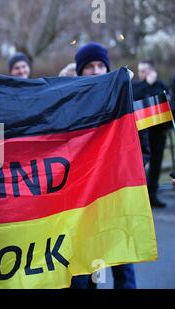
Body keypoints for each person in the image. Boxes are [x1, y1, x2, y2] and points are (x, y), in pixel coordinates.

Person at [72, 42, 139, 289]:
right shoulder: (70, 104)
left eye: (101, 65)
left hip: (116, 193)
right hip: (83, 197)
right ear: (80, 71)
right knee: (83, 264)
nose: (96, 70)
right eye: (89, 66)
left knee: (122, 260)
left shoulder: (123, 100)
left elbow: (139, 141)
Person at [133, 60, 169, 208]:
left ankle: (152, 194)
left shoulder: (160, 85)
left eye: (144, 71)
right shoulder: (137, 86)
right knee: (141, 164)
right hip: (142, 130)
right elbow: (137, 98)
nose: (141, 74)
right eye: (140, 71)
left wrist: (152, 85)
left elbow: (164, 101)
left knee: (156, 164)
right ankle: (141, 196)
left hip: (158, 130)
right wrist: (147, 84)